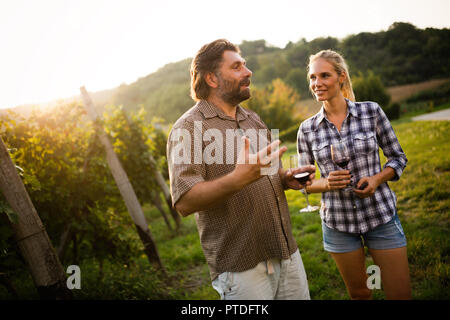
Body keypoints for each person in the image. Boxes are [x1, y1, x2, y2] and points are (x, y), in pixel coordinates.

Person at [167, 39, 314, 300]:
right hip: (241, 269)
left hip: (286, 250)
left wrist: (285, 178)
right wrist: (236, 179)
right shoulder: (188, 127)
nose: (248, 72)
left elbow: (268, 173)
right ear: (212, 78)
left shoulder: (252, 118)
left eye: (244, 65)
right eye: (236, 67)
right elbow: (185, 202)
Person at [297, 49, 411, 300]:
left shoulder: (371, 111)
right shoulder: (306, 130)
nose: (317, 83)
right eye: (313, 78)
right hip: (338, 223)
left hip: (380, 215)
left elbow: (398, 158)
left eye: (324, 75)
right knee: (360, 294)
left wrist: (377, 179)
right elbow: (304, 184)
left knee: (399, 293)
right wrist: (325, 184)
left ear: (341, 77)